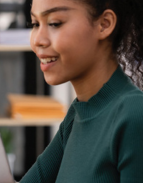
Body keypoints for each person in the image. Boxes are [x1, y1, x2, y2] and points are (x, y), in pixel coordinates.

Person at [20, 0, 143, 182]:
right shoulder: (77, 115)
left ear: (104, 24)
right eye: (35, 24)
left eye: (54, 23)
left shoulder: (134, 115)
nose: (37, 40)